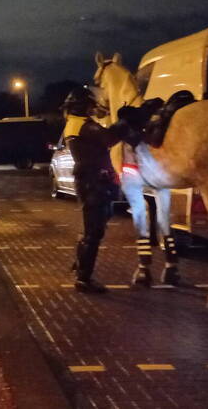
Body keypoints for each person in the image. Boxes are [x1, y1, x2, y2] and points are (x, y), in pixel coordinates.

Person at [62, 85, 130, 293]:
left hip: (91, 182)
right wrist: (125, 121)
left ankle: (81, 263)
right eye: (90, 105)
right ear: (84, 106)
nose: (93, 109)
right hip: (94, 184)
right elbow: (109, 138)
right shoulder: (84, 126)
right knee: (93, 232)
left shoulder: (73, 124)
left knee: (94, 227)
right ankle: (84, 279)